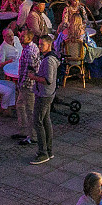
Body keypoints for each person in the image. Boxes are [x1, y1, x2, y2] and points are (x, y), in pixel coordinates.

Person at [31, 34, 60, 164]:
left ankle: (43, 152)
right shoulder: (50, 58)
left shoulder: (48, 61)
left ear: (49, 45)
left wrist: (34, 77)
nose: (40, 46)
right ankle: (48, 150)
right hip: (48, 93)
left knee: (38, 121)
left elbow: (48, 80)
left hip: (44, 94)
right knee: (46, 120)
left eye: (42, 44)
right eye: (39, 44)